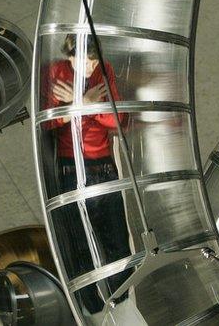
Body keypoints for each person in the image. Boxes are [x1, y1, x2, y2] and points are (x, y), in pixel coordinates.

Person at [43, 34, 132, 314]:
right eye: (86, 60)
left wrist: (77, 105)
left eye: (94, 60)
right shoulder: (56, 72)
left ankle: (123, 302)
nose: (92, 66)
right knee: (80, 241)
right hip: (71, 166)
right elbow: (49, 120)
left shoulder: (104, 69)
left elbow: (117, 119)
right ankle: (93, 308)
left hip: (103, 164)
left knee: (117, 238)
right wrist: (88, 102)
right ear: (70, 57)